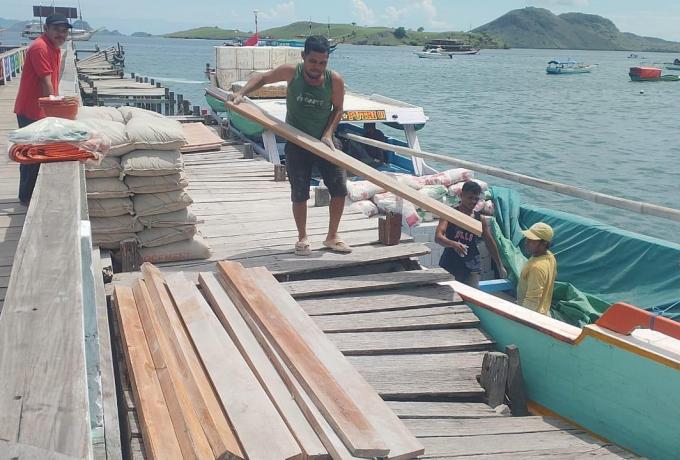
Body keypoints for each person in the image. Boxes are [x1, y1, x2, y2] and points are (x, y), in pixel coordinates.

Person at [229, 35, 351, 256]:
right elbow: (262, 77)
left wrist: (328, 134)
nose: (317, 67)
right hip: (296, 140)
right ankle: (302, 238)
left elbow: (338, 109)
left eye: (323, 63)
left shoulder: (334, 80)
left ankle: (332, 236)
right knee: (299, 192)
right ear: (304, 56)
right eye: (313, 61)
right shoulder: (291, 72)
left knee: (340, 189)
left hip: (325, 142)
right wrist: (241, 94)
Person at [13, 14, 71, 206]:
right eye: (56, 30)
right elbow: (46, 81)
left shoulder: (54, 48)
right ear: (46, 29)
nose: (61, 34)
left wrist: (56, 102)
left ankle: (29, 195)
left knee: (37, 154)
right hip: (31, 110)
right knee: (31, 156)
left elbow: (53, 82)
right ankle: (26, 198)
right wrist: (55, 113)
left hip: (41, 109)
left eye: (64, 31)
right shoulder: (40, 47)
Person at [435, 181, 507, 288]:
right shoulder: (449, 214)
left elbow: (489, 242)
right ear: (461, 195)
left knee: (471, 297)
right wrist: (453, 244)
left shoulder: (480, 219)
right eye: (470, 198)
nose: (473, 201)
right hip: (450, 264)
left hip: (472, 267)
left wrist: (499, 265)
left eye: (476, 199)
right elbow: (438, 237)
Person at [517, 222, 557, 315]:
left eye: (532, 240)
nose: (527, 242)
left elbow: (532, 301)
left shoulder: (537, 267)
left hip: (532, 314)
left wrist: (522, 318)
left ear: (544, 243)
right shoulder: (550, 256)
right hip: (543, 310)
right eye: (528, 238)